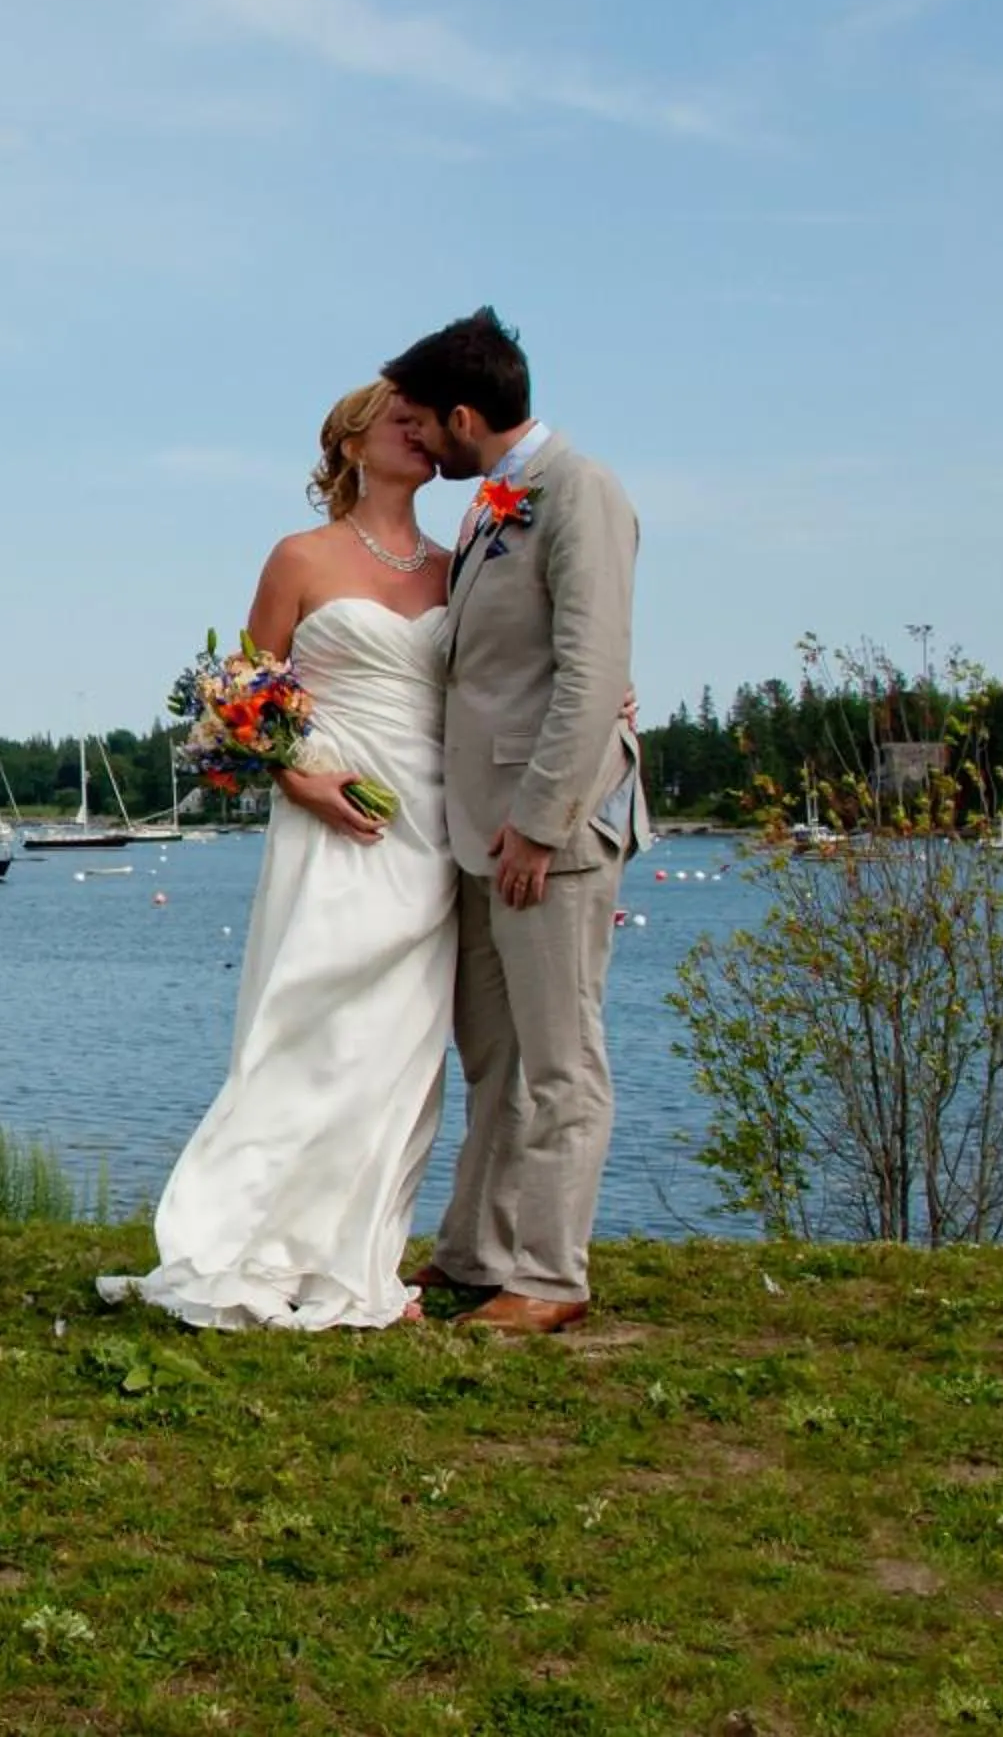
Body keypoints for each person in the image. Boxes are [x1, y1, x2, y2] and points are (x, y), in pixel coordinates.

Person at [97, 380, 458, 1330]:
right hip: (331, 816)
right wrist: (301, 780)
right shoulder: (300, 557)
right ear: (349, 442)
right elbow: (242, 703)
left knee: (399, 1050)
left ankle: (362, 1259)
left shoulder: (461, 567)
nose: (422, 433)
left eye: (428, 420)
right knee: (308, 1030)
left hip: (431, 826)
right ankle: (245, 1242)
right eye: (401, 420)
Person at [387, 306, 647, 1336]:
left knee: (560, 1057)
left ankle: (549, 1274)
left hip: (550, 834)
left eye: (423, 423)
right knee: (492, 1055)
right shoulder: (498, 502)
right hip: (477, 830)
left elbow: (593, 671)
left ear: (463, 416)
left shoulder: (579, 491)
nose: (418, 441)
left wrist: (541, 822)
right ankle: (476, 1250)